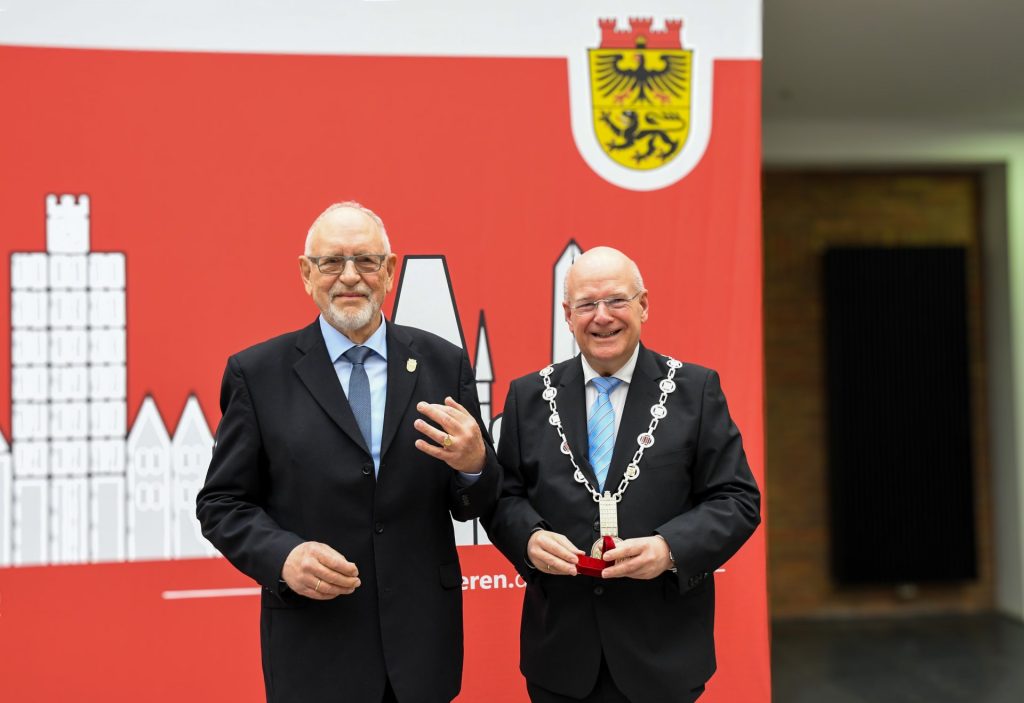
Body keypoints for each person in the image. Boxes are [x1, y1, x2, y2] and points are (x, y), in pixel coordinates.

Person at [196, 201, 500, 703]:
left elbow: (474, 500)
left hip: (421, 651)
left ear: (390, 271)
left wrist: (474, 467)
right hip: (315, 647)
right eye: (331, 262)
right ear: (306, 273)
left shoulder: (443, 364)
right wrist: (283, 556)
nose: (350, 277)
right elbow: (222, 503)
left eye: (366, 260)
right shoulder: (258, 374)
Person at [483, 246, 760, 703]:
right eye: (587, 305)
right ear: (567, 315)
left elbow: (737, 500)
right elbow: (504, 499)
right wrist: (529, 540)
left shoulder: (696, 390)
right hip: (560, 661)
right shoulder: (527, 397)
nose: (602, 317)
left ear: (644, 306)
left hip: (664, 656)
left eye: (616, 300)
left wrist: (669, 548)